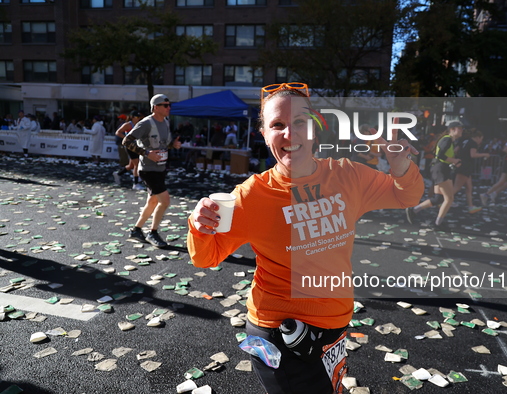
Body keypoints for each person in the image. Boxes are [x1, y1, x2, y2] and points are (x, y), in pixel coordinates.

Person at [187, 82, 424, 394]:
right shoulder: (251, 196)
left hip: (335, 324)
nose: (290, 134)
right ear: (264, 134)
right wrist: (198, 225)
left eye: (299, 122)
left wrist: (400, 165)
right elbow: (206, 257)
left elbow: (407, 195)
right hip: (277, 332)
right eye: (277, 125)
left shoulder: (347, 175)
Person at [122, 94, 181, 248]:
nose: (169, 107)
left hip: (160, 168)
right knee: (165, 200)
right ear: (156, 107)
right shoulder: (146, 123)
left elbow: (162, 145)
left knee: (153, 201)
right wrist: (147, 154)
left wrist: (172, 145)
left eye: (169, 105)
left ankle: (136, 230)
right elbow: (126, 141)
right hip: (148, 170)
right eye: (165, 105)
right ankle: (152, 232)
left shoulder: (166, 122)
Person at [405, 121, 463, 230]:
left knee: (438, 198)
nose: (461, 131)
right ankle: (438, 224)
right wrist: (454, 160)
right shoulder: (447, 139)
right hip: (441, 170)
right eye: (459, 128)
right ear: (452, 129)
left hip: (440, 169)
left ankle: (414, 210)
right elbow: (440, 155)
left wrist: (453, 161)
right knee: (449, 198)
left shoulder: (450, 141)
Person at [452, 129, 490, 213]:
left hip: (462, 165)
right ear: (478, 137)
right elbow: (473, 155)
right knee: (457, 187)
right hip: (465, 166)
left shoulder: (465, 141)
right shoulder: (473, 143)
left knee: (469, 188)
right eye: (481, 139)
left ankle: (470, 206)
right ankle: (443, 201)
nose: (481, 141)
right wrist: (485, 154)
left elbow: (455, 150)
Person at [114, 111, 146, 190]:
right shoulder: (128, 124)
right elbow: (117, 132)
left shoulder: (138, 124)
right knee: (137, 164)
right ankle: (136, 183)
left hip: (137, 146)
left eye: (139, 117)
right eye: (137, 117)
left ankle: (118, 174)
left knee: (131, 165)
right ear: (132, 117)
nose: (138, 119)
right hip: (130, 146)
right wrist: (126, 138)